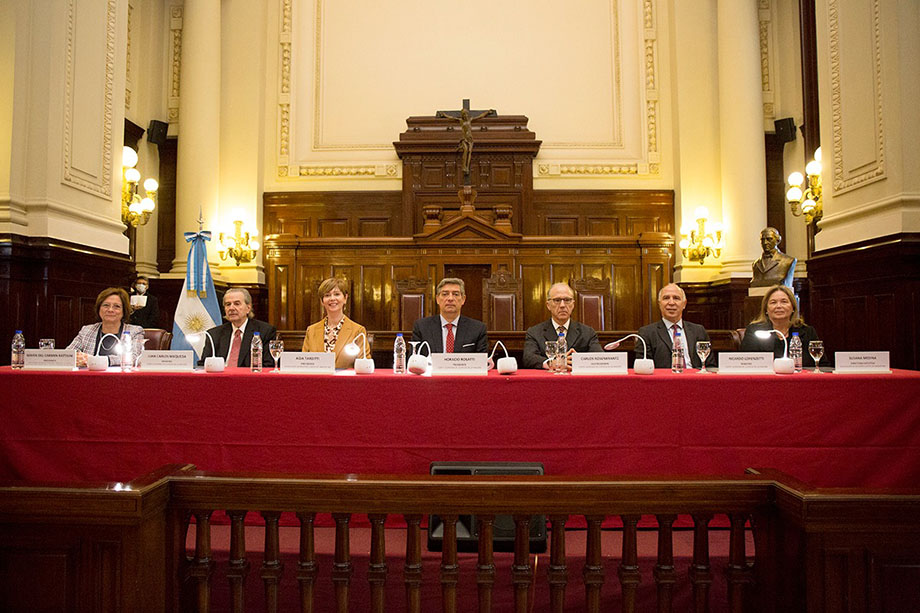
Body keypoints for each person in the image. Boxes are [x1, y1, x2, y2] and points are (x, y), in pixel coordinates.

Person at [522, 282, 603, 370]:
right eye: (557, 300)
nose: (562, 305)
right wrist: (551, 363)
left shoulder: (588, 332)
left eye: (567, 300)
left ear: (573, 304)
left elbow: (599, 358)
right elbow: (528, 358)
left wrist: (579, 361)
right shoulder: (534, 332)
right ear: (548, 305)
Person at [637, 283, 714, 369]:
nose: (671, 303)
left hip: (695, 379)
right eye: (666, 298)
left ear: (684, 304)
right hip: (664, 380)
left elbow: (710, 366)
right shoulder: (647, 333)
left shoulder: (698, 331)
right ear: (659, 304)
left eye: (676, 298)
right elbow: (644, 369)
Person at [740, 284, 824, 362]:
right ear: (766, 309)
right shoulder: (754, 331)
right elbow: (747, 363)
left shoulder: (807, 332)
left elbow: (822, 364)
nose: (779, 306)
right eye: (773, 302)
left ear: (793, 308)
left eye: (784, 302)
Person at [198, 287, 276, 368]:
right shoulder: (214, 334)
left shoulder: (265, 331)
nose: (231, 308)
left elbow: (268, 365)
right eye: (228, 304)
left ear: (248, 308)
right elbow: (203, 364)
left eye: (237, 304)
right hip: (220, 378)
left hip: (248, 378)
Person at [68, 287, 145, 367]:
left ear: (124, 311)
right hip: (89, 377)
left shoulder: (135, 331)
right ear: (99, 308)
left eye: (117, 306)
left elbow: (134, 358)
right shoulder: (87, 330)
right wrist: (78, 358)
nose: (110, 310)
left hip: (120, 378)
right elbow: (68, 355)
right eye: (106, 305)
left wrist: (97, 360)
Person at [301, 278, 368, 369]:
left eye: (337, 294)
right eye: (327, 295)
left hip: (346, 382)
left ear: (345, 298)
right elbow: (303, 364)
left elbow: (364, 366)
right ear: (322, 301)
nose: (332, 298)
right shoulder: (311, 330)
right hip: (317, 381)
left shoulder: (358, 331)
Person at [411, 277, 488, 353]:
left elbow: (482, 362)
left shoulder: (477, 329)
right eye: (445, 294)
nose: (450, 298)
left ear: (463, 299)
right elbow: (413, 360)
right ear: (437, 299)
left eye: (456, 294)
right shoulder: (422, 327)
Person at [436, 107, 495, 177]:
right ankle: (464, 167)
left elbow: (480, 116)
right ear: (462, 115)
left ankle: (467, 166)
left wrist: (487, 112)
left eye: (466, 114)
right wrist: (444, 115)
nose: (465, 115)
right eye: (464, 114)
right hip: (464, 138)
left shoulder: (470, 120)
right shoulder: (461, 121)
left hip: (470, 138)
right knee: (466, 150)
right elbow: (451, 117)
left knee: (470, 151)